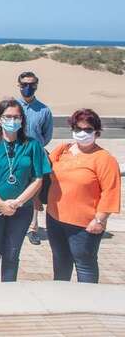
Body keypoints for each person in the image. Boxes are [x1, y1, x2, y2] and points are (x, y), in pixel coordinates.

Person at [0, 99, 51, 282]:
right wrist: (0, 203)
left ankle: (9, 291)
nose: (12, 120)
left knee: (12, 253)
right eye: (8, 116)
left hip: (21, 209)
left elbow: (38, 178)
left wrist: (17, 202)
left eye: (17, 117)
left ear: (22, 120)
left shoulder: (32, 145)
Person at [46, 109, 120, 283]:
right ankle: (61, 295)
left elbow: (110, 191)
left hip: (85, 225)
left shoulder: (104, 159)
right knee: (60, 262)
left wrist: (100, 220)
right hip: (55, 218)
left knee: (85, 264)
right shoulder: (62, 150)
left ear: (97, 132)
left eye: (88, 130)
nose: (82, 133)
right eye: (78, 129)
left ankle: (87, 298)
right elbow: (46, 171)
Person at [16, 71, 54, 246]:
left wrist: (35, 148)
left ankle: (33, 227)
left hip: (35, 153)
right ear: (19, 85)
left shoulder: (44, 110)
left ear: (36, 85)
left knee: (35, 190)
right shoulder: (12, 107)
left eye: (31, 84)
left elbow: (47, 135)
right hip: (15, 152)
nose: (28, 87)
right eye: (24, 84)